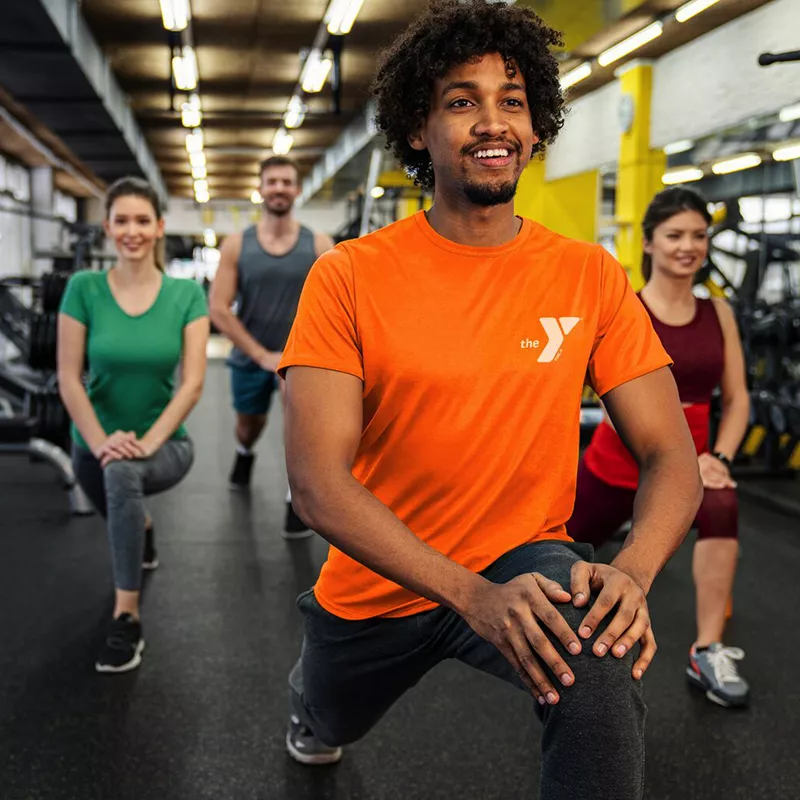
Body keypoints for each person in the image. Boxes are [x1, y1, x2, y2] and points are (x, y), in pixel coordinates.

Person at [276, 2, 702, 797]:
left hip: (524, 559)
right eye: (462, 101)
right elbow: (318, 486)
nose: (492, 121)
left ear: (536, 127)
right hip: (379, 579)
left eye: (512, 100)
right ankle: (313, 707)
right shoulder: (349, 276)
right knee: (326, 720)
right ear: (417, 129)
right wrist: (469, 595)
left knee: (600, 669)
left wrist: (633, 574)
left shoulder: (588, 276)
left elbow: (668, 451)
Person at [568, 186, 751, 708]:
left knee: (722, 504)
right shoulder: (626, 308)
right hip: (615, 462)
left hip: (691, 471)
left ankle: (709, 648)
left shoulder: (719, 313)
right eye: (674, 235)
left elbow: (736, 401)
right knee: (553, 553)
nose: (687, 246)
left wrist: (718, 459)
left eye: (698, 236)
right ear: (648, 243)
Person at [58, 177, 209, 673]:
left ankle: (127, 618)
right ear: (107, 228)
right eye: (121, 220)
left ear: (160, 227)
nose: (132, 230)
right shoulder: (83, 289)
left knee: (123, 476)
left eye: (142, 220)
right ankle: (140, 525)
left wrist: (145, 443)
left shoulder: (185, 295)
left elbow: (191, 384)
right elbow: (68, 377)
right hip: (92, 447)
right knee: (117, 483)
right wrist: (102, 443)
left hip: (164, 444)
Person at [209, 156, 334, 536]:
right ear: (261, 190)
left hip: (301, 358)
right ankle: (244, 452)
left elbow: (334, 306)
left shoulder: (319, 243)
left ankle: (294, 500)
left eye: (286, 182)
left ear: (296, 190)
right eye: (272, 182)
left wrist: (305, 353)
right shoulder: (236, 245)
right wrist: (260, 354)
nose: (279, 188)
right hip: (251, 356)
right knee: (249, 425)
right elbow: (218, 309)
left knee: (298, 429)